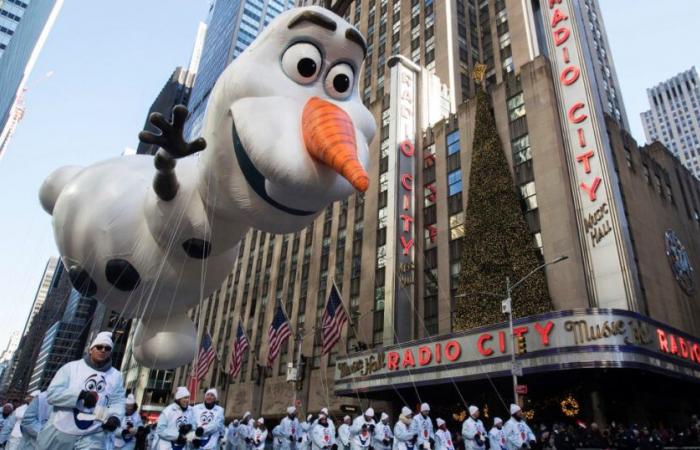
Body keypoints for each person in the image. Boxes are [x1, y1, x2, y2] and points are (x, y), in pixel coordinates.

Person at [37, 331, 125, 449]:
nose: (103, 350)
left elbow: (117, 401)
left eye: (107, 348)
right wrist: (80, 395)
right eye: (99, 347)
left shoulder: (116, 376)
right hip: (62, 430)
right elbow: (52, 394)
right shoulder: (71, 367)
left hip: (94, 434)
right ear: (91, 349)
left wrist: (115, 417)